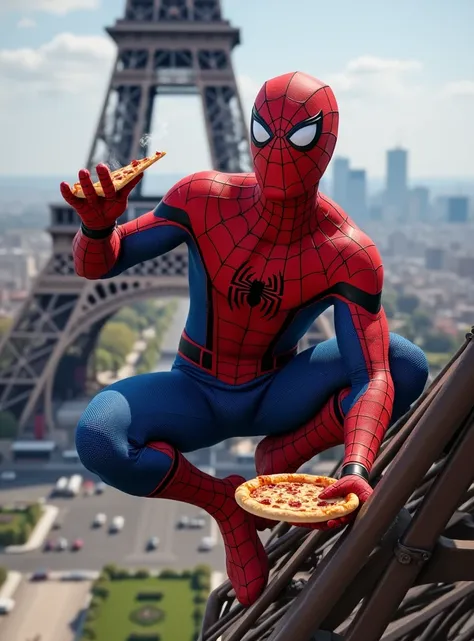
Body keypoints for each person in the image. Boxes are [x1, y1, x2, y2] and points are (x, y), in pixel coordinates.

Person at [60, 71, 428, 606]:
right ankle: (225, 504)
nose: (278, 152)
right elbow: (104, 263)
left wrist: (354, 467)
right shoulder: (201, 198)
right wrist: (97, 228)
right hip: (196, 387)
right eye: (264, 132)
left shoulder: (347, 253)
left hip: (275, 391)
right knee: (98, 437)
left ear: (324, 145)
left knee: (406, 362)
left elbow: (373, 372)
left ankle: (285, 451)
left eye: (298, 137)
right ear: (250, 131)